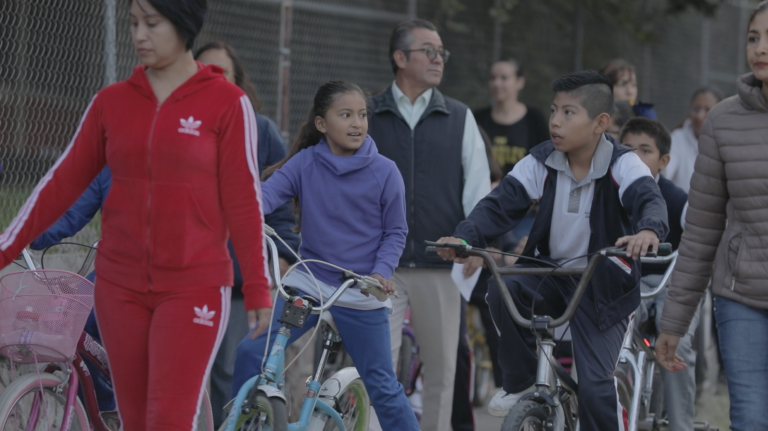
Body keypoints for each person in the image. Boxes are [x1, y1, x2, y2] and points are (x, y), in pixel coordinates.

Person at [0, 1, 273, 429]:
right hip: (119, 287)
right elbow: (60, 185)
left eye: (152, 23)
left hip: (193, 286)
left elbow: (243, 201)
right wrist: (5, 248)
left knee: (167, 418)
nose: (139, 35)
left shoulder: (227, 103)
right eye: (133, 23)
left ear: (183, 25)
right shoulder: (111, 102)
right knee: (135, 419)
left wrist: (257, 285)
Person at [435, 71, 670, 430]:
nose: (555, 121)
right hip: (551, 276)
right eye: (553, 111)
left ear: (600, 123)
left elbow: (648, 199)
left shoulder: (624, 163)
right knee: (502, 288)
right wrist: (464, 238)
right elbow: (498, 204)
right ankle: (522, 382)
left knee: (595, 388)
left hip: (603, 286)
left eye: (569, 113)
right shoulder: (541, 160)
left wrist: (649, 229)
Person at [232, 80, 420, 431]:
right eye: (345, 115)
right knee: (251, 351)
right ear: (322, 123)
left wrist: (380, 273)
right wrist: (232, 210)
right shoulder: (305, 162)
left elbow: (396, 232)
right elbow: (264, 198)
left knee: (382, 384)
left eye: (362, 115)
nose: (357, 123)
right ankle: (243, 421)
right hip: (309, 281)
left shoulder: (385, 171)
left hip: (361, 288)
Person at [367, 19, 491, 431]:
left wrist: (475, 243)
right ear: (400, 58)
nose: (439, 59)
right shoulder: (368, 114)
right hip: (379, 266)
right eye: (429, 51)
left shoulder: (460, 117)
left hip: (440, 264)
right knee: (376, 370)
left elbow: (478, 190)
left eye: (442, 52)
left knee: (441, 372)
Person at [656, 3, 768, 430]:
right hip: (742, 296)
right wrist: (675, 321)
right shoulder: (722, 120)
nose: (760, 48)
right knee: (751, 418)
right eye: (753, 37)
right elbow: (702, 228)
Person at [195, 41, 300, 429]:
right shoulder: (178, 128)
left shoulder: (262, 131)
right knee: (188, 377)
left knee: (230, 373)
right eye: (202, 71)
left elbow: (283, 209)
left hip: (240, 281)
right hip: (188, 278)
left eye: (221, 73)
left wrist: (283, 257)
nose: (211, 80)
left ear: (238, 82)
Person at [619, 117, 698, 431]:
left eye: (645, 150)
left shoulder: (677, 199)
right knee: (606, 337)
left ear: (663, 161)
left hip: (671, 284)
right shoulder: (609, 195)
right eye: (628, 149)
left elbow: (699, 241)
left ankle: (681, 425)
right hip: (626, 284)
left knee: (677, 344)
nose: (636, 157)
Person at [474, 59, 551, 175]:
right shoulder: (478, 118)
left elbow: (545, 161)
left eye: (504, 78)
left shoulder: (534, 119)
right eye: (493, 78)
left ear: (520, 82)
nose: (496, 83)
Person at [663, 87, 724, 192]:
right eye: (696, 109)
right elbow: (665, 171)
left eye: (708, 110)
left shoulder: (727, 145)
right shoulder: (678, 139)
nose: (700, 116)